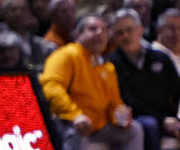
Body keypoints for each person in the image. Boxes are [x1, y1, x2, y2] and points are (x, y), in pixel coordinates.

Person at [40, 13, 143, 150]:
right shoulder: (66, 55)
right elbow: (51, 87)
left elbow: (114, 102)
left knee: (134, 130)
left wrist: (120, 118)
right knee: (77, 133)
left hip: (99, 127)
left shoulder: (107, 66)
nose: (99, 33)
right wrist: (75, 116)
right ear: (78, 34)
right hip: (71, 122)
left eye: (104, 30)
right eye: (93, 29)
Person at [108, 9, 180, 150]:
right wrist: (162, 120)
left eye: (130, 30)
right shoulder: (111, 63)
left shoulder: (160, 58)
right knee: (149, 124)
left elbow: (178, 90)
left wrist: (177, 118)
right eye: (120, 33)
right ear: (114, 37)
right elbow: (128, 100)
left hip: (168, 117)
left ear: (140, 30)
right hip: (136, 118)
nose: (125, 36)